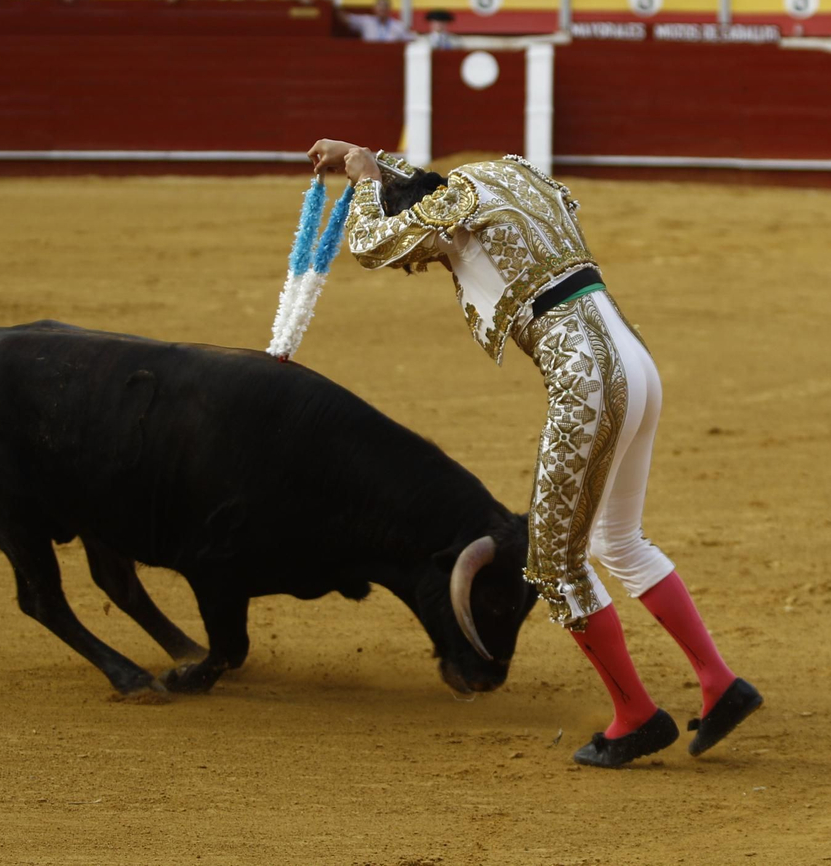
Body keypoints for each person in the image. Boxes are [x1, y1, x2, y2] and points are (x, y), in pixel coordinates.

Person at [306, 140, 763, 769]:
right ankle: (719, 684)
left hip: (587, 377)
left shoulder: (453, 214)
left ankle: (635, 717)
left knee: (555, 567)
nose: (425, 266)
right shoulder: (498, 178)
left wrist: (362, 180)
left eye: (427, 261)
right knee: (619, 542)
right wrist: (368, 156)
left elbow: (370, 244)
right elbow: (425, 189)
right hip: (634, 361)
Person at [345, 0, 410, 42]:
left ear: (389, 9)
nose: (382, 8)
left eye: (384, 6)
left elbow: (409, 39)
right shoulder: (366, 22)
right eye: (379, 6)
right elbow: (346, 19)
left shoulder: (398, 26)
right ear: (374, 8)